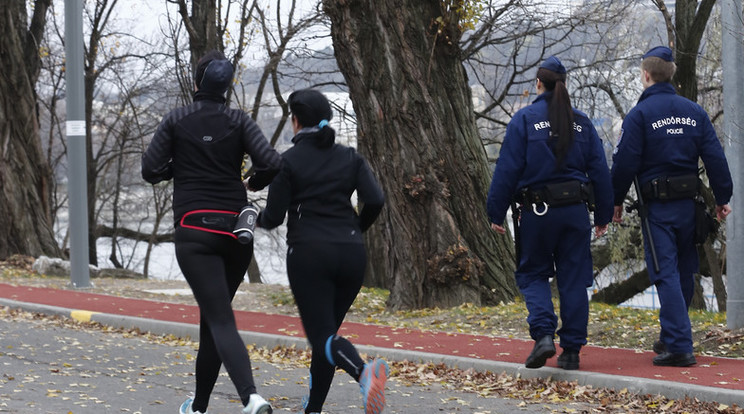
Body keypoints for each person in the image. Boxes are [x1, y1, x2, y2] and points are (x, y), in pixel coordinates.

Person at [141, 50, 281, 414]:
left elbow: (150, 169)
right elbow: (271, 162)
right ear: (227, 87)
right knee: (212, 319)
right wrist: (254, 179)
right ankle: (198, 406)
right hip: (237, 234)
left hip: (194, 230)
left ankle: (251, 397)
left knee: (218, 318)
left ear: (197, 82)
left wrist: (178, 166)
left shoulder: (176, 119)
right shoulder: (239, 120)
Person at [257, 89, 388, 414]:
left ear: (296, 122)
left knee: (322, 337)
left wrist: (249, 216)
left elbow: (273, 218)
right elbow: (375, 200)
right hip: (351, 255)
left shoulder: (286, 162)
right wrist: (356, 229)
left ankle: (363, 372)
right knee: (326, 337)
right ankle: (312, 408)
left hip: (309, 255)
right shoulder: (350, 157)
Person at [486, 56, 614, 371]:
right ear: (564, 85)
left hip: (537, 212)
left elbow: (507, 170)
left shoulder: (525, 120)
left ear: (538, 84)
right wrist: (603, 216)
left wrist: (495, 211)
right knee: (573, 279)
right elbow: (599, 170)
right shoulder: (582, 122)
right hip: (575, 213)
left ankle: (543, 335)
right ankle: (571, 352)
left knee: (532, 274)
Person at [611, 46, 733, 367]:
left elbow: (624, 163)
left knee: (665, 273)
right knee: (682, 272)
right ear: (673, 74)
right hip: (689, 208)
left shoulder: (639, 116)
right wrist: (722, 199)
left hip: (659, 209)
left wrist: (614, 201)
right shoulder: (694, 111)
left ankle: (680, 347)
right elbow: (716, 159)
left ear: (646, 76)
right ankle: (669, 336)